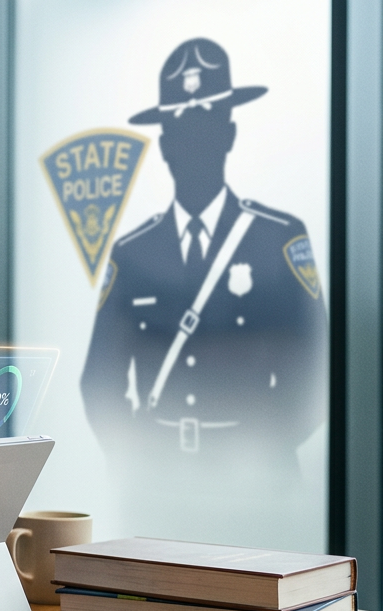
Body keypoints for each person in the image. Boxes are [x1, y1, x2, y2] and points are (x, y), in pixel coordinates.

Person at [81, 38, 328, 481]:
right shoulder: (133, 253)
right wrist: (139, 461)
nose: (194, 143)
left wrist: (257, 451)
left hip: (258, 485)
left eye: (207, 125)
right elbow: (99, 382)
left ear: (229, 135)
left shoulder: (277, 239)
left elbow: (318, 375)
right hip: (158, 485)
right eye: (180, 129)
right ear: (165, 145)